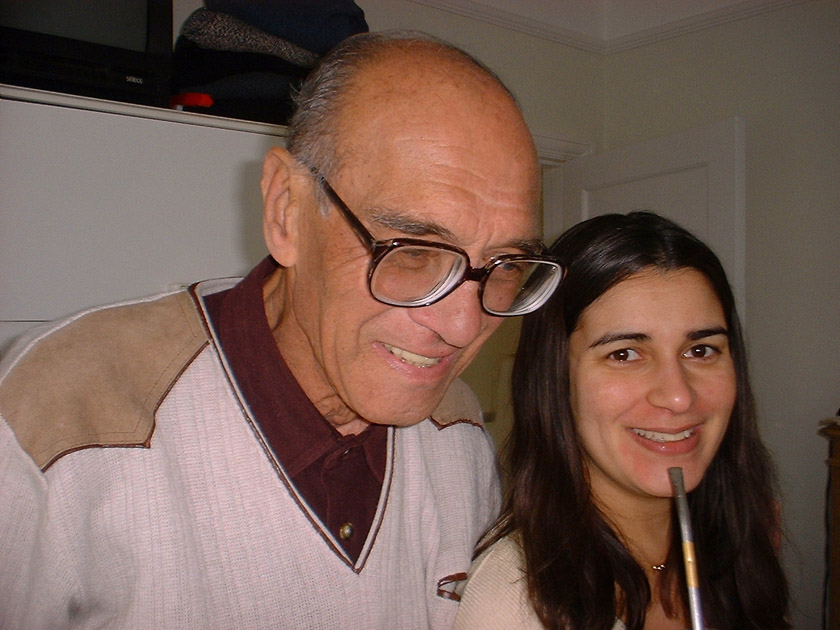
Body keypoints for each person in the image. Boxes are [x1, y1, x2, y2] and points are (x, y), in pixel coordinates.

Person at [0, 32, 563, 629]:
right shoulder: (60, 418)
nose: (463, 326)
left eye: (507, 266)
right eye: (414, 252)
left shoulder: (458, 429)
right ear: (286, 211)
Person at [454, 211, 789, 629]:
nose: (678, 396)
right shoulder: (516, 604)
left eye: (700, 350)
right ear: (555, 379)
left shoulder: (740, 542)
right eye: (624, 354)